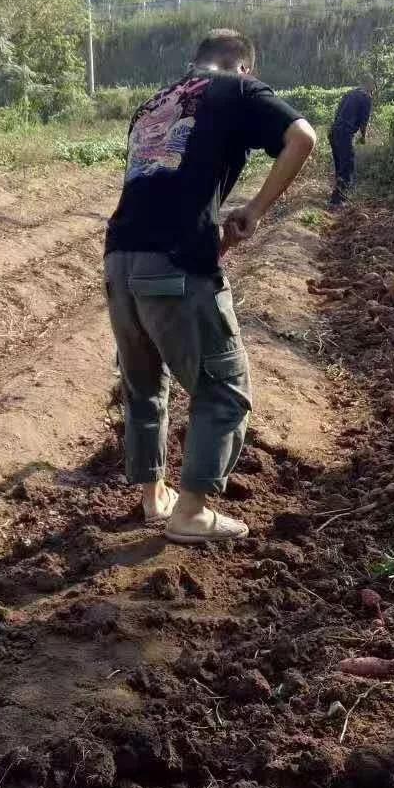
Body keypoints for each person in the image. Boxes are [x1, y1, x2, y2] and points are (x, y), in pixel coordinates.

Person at [104, 29, 316, 544]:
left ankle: (154, 497)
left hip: (119, 260)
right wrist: (254, 210)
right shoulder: (236, 89)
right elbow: (302, 137)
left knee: (144, 384)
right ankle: (192, 512)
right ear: (242, 67)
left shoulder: (155, 103)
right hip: (176, 262)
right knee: (223, 389)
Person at [328, 80, 373, 207]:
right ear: (371, 86)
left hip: (333, 132)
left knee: (340, 166)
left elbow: (337, 113)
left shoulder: (350, 93)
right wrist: (363, 137)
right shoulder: (366, 97)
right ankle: (338, 201)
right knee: (347, 166)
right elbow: (364, 122)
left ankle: (336, 197)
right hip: (344, 133)